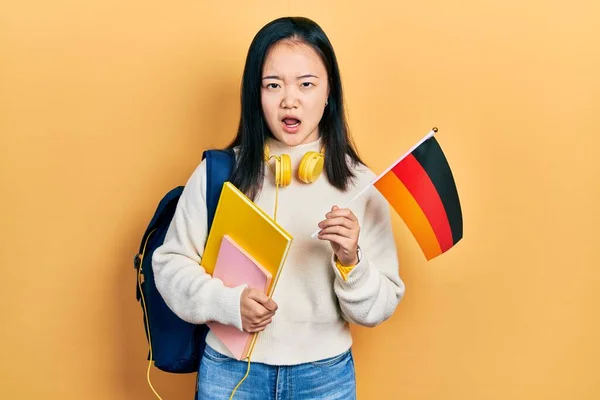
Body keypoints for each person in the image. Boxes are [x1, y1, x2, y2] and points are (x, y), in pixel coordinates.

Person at [152, 16, 405, 400]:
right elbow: (169, 267)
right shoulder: (220, 173)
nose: (290, 99)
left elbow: (377, 309)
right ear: (256, 93)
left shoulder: (360, 185)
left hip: (325, 378)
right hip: (229, 372)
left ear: (328, 92)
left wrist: (352, 262)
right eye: (273, 85)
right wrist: (228, 304)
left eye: (306, 84)